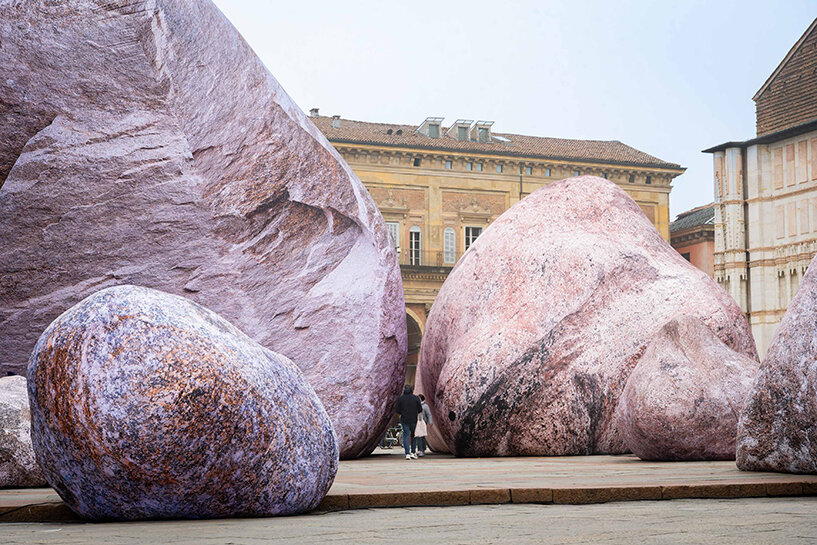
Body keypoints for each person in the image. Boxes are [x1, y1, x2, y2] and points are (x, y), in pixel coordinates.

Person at [395, 384, 422, 459]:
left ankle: (407, 453)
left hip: (404, 419)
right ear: (411, 390)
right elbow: (420, 409)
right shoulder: (416, 398)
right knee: (413, 436)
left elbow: (397, 410)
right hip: (413, 419)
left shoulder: (400, 399)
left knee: (406, 436)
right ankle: (413, 452)